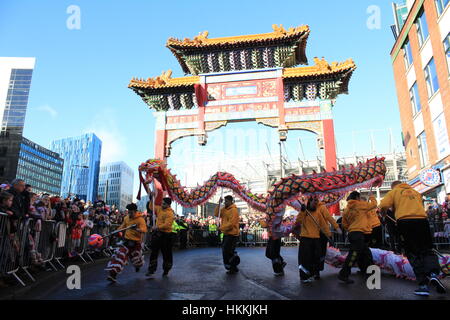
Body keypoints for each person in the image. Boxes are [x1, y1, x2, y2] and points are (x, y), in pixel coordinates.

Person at [379, 181, 446, 296]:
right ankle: (433, 273)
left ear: (393, 187)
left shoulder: (394, 192)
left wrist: (384, 213)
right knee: (426, 249)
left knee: (412, 252)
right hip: (422, 221)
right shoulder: (415, 192)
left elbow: (383, 205)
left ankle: (423, 285)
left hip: (405, 222)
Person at [338, 191, 377, 284]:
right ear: (357, 197)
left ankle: (369, 273)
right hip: (358, 233)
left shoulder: (346, 209)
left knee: (366, 253)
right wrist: (371, 196)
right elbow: (374, 204)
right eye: (359, 197)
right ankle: (343, 274)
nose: (360, 198)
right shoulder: (360, 205)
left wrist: (351, 228)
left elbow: (344, 224)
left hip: (353, 233)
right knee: (353, 255)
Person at [106, 203, 147, 283]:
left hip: (136, 243)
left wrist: (138, 229)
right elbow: (122, 226)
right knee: (119, 256)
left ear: (135, 211)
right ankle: (112, 275)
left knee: (136, 260)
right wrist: (117, 231)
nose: (129, 213)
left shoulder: (140, 219)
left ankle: (137, 265)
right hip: (126, 242)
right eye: (129, 212)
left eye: (131, 212)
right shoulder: (126, 218)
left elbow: (144, 229)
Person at [294, 196, 329, 283]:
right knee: (305, 258)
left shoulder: (317, 213)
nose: (316, 203)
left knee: (316, 257)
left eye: (317, 201)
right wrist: (302, 212)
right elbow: (298, 222)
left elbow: (323, 225)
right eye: (314, 201)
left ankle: (312, 273)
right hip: (306, 239)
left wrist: (329, 234)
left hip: (316, 239)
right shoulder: (304, 212)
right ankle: (304, 277)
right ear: (309, 202)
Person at [146, 197, 175, 277]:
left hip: (166, 236)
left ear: (168, 205)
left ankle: (166, 269)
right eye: (162, 203)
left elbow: (167, 225)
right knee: (154, 252)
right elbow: (151, 207)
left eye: (164, 204)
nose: (162, 204)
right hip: (158, 234)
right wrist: (151, 199)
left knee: (166, 253)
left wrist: (157, 227)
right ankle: (151, 270)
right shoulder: (159, 209)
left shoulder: (170, 213)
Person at [214, 195, 240, 274]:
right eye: (224, 201)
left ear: (231, 201)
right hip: (226, 233)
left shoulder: (234, 210)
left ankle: (232, 267)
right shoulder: (224, 209)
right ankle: (231, 266)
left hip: (232, 234)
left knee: (227, 251)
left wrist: (221, 228)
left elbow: (231, 224)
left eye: (226, 201)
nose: (225, 203)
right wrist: (219, 204)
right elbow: (216, 214)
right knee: (226, 251)